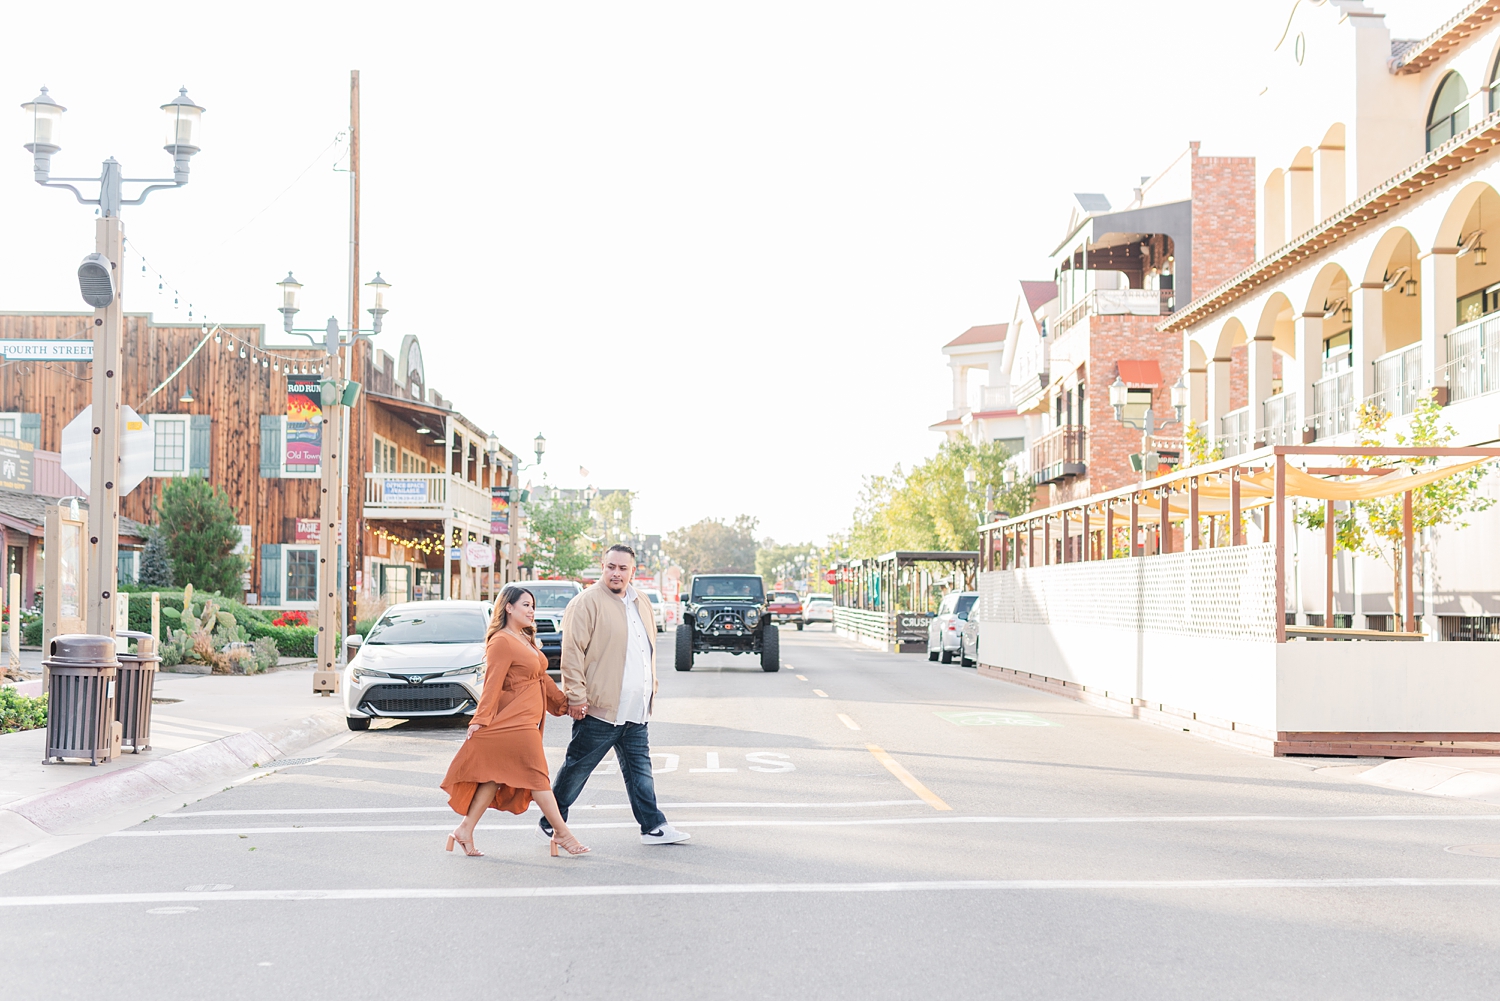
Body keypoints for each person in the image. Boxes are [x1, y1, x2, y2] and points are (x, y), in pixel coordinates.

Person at [539, 544, 690, 846]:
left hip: (636, 709)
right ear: (602, 566)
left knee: (641, 771)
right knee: (577, 768)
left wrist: (651, 686)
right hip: (601, 708)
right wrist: (576, 696)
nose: (616, 573)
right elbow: (571, 655)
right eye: (611, 567)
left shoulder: (642, 602)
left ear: (633, 571)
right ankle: (551, 820)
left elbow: (646, 649)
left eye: (623, 568)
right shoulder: (585, 603)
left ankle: (653, 827)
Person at [441, 585, 590, 858]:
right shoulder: (501, 641)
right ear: (508, 607)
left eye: (533, 606)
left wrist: (563, 704)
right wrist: (480, 719)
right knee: (537, 777)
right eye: (526, 605)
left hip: (527, 719)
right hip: (513, 722)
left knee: (493, 778)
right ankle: (561, 833)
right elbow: (492, 684)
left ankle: (465, 829)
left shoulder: (525, 638)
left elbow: (542, 678)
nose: (532, 610)